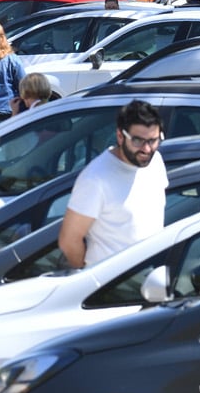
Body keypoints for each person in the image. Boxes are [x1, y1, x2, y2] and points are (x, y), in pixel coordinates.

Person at [58, 101, 168, 269]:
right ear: (120, 136)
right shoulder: (95, 178)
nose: (147, 149)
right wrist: (89, 277)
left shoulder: (156, 162)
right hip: (110, 282)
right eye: (138, 141)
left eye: (153, 140)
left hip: (150, 277)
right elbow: (69, 240)